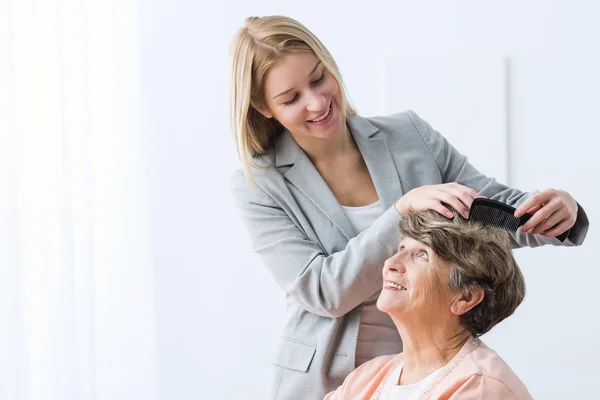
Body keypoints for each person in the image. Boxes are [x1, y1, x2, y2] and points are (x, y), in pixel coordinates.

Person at [228, 15, 588, 400]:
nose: (316, 102)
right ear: (263, 107)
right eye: (291, 98)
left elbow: (488, 209)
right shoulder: (259, 185)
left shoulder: (408, 135)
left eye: (318, 78)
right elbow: (322, 290)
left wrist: (561, 214)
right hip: (324, 380)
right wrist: (400, 212)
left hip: (423, 367)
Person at [324, 210, 533, 400]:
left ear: (465, 298)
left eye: (422, 254)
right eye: (402, 247)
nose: (391, 263)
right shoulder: (367, 377)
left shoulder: (481, 387)